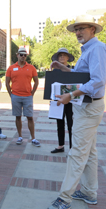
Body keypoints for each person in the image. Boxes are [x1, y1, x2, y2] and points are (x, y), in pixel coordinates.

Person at [48, 15, 106, 209]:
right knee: (89, 152)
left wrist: (71, 95)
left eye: (82, 28)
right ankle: (90, 192)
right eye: (76, 29)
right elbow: (84, 76)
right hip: (86, 106)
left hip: (89, 107)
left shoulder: (97, 48)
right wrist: (63, 68)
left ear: (93, 30)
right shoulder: (89, 49)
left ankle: (64, 198)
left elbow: (97, 80)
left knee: (77, 153)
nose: (78, 32)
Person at [5, 47, 40, 147]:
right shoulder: (11, 68)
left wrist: (32, 93)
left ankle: (33, 138)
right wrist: (10, 94)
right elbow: (7, 82)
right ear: (17, 55)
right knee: (18, 116)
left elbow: (36, 81)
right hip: (15, 95)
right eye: (21, 54)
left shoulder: (31, 67)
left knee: (30, 117)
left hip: (27, 96)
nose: (23, 56)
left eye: (25, 55)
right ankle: (20, 136)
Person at [50, 48, 74, 154]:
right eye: (60, 56)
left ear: (68, 58)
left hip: (70, 102)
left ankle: (72, 147)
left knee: (71, 124)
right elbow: (50, 87)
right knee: (59, 123)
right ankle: (61, 145)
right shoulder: (55, 71)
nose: (62, 57)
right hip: (58, 101)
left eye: (64, 55)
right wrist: (51, 99)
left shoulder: (73, 70)